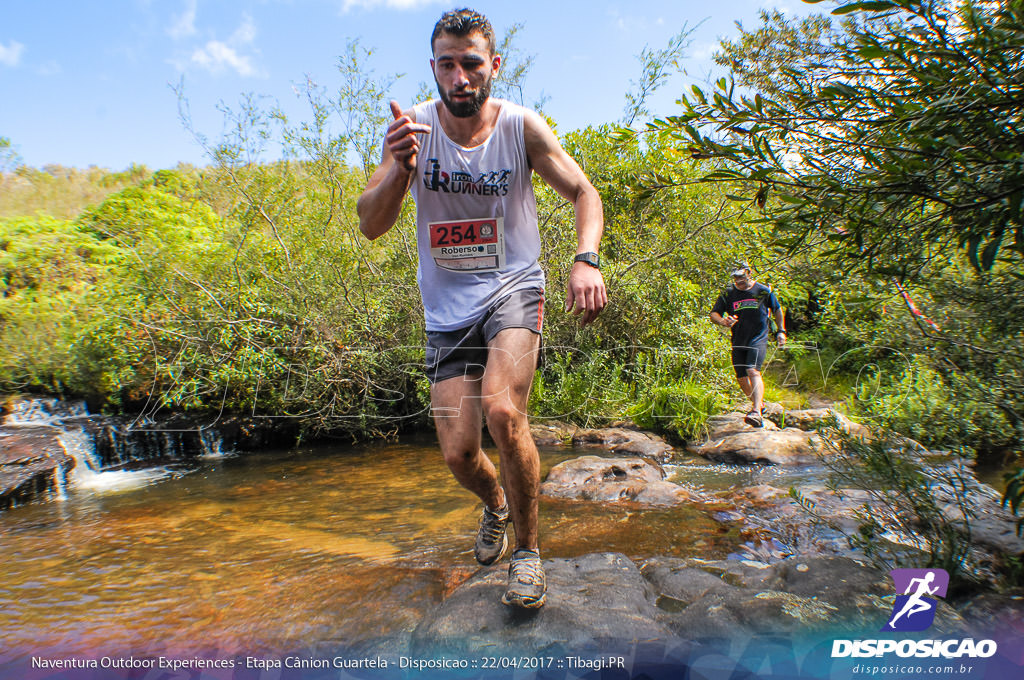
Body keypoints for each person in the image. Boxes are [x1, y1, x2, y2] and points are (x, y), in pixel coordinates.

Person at [356, 8, 607, 609]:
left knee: (502, 410)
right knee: (458, 453)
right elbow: (371, 224)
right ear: (435, 69)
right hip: (447, 308)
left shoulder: (521, 127)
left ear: (492, 65)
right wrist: (400, 172)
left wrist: (586, 259)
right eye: (447, 64)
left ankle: (529, 554)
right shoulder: (412, 129)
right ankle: (495, 504)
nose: (459, 76)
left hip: (514, 286)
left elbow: (584, 191)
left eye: (471, 63)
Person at [709, 262, 785, 428]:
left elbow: (777, 309)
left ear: (749, 273)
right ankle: (759, 404)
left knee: (752, 370)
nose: (739, 280)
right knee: (741, 377)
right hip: (738, 339)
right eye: (735, 277)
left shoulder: (763, 291)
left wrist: (781, 331)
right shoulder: (728, 293)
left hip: (758, 337)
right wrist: (723, 321)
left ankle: (756, 411)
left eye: (741, 276)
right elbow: (714, 313)